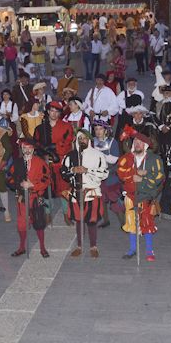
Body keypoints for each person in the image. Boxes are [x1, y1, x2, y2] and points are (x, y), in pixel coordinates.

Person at [61, 129, 108, 258]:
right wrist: (73, 169)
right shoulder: (70, 156)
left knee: (92, 221)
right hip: (77, 193)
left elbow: (104, 173)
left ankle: (93, 246)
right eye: (80, 138)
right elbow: (63, 172)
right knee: (79, 220)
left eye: (84, 138)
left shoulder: (98, 155)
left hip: (91, 193)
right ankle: (79, 246)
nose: (82, 140)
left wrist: (87, 170)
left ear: (89, 140)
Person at [117, 132, 164, 261]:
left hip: (146, 197)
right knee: (132, 223)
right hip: (131, 197)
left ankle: (149, 250)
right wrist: (134, 174)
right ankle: (132, 249)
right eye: (135, 142)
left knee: (147, 223)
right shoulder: (127, 158)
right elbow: (120, 172)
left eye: (140, 143)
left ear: (145, 145)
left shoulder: (154, 159)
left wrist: (143, 179)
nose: (137, 144)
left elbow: (159, 176)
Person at [7, 138, 51, 257]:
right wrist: (19, 184)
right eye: (25, 148)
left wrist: (33, 185)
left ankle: (42, 248)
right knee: (22, 224)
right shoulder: (17, 163)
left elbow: (47, 179)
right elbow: (9, 178)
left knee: (39, 223)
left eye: (29, 148)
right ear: (22, 149)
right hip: (22, 199)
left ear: (33, 149)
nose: (27, 150)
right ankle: (22, 247)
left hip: (36, 198)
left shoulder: (40, 162)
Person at [33, 101, 75, 224]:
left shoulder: (66, 126)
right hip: (45, 163)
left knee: (64, 189)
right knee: (45, 190)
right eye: (52, 110)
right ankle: (47, 214)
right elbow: (36, 144)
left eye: (57, 111)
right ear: (47, 111)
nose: (54, 113)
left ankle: (67, 214)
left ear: (60, 113)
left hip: (60, 163)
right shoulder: (40, 128)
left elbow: (67, 143)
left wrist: (54, 148)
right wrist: (44, 151)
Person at [151, 84, 171, 218]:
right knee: (160, 172)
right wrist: (161, 126)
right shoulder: (158, 104)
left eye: (169, 92)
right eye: (165, 93)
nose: (167, 95)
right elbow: (153, 116)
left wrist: (169, 126)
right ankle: (157, 205)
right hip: (160, 137)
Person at [92, 120, 122, 229]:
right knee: (102, 199)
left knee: (114, 199)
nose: (98, 131)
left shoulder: (112, 142)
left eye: (100, 129)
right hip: (98, 175)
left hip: (111, 175)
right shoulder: (93, 142)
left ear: (105, 130)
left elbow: (114, 159)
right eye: (96, 129)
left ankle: (123, 222)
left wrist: (100, 155)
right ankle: (106, 220)